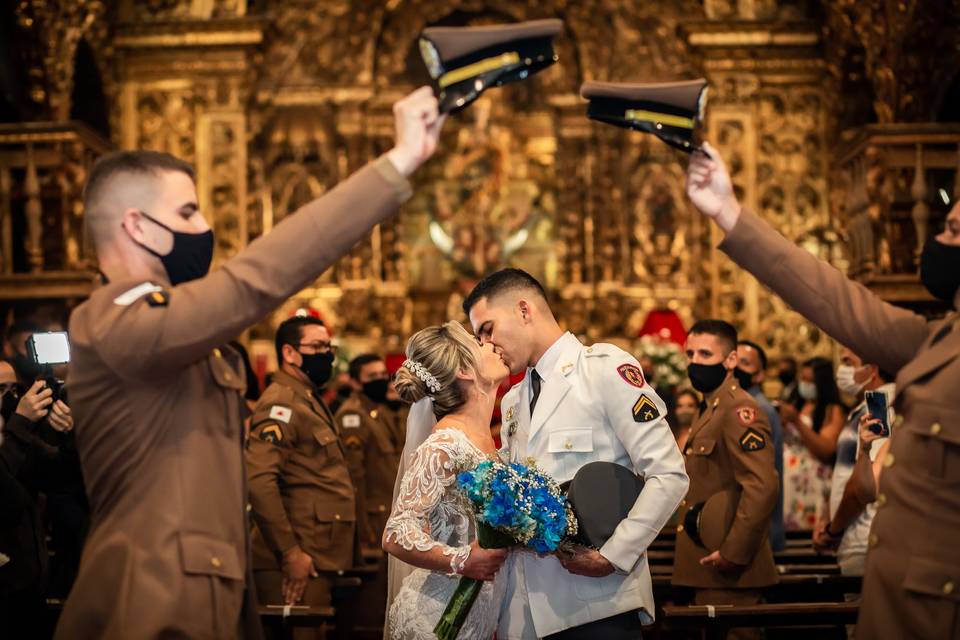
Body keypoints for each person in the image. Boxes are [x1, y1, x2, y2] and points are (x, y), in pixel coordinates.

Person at [55, 87, 445, 640]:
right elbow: (251, 282)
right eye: (187, 212)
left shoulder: (178, 333)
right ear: (138, 226)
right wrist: (395, 164)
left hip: (212, 601)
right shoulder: (109, 320)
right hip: (147, 606)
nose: (201, 228)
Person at [687, 143, 960, 639]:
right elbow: (833, 299)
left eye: (954, 231)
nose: (939, 241)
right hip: (895, 608)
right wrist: (727, 211)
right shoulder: (938, 339)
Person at [465, 268, 688, 639]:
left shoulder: (603, 370)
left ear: (524, 310)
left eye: (487, 329)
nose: (486, 346)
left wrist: (614, 555)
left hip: (596, 602)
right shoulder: (513, 400)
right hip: (525, 610)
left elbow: (669, 475)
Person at [383, 321, 510, 639]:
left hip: (480, 612)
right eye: (478, 343)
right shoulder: (445, 444)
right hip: (437, 615)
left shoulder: (487, 437)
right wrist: (462, 560)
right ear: (465, 371)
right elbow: (396, 533)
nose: (492, 343)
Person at [244, 316, 354, 633]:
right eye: (317, 347)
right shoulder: (281, 403)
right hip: (298, 556)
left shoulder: (306, 398)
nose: (327, 355)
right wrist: (290, 552)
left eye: (328, 347)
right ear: (290, 353)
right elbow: (259, 482)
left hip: (318, 552)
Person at [672, 321, 778, 640]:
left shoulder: (738, 408)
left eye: (706, 354)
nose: (695, 362)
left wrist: (734, 552)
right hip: (709, 562)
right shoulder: (710, 407)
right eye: (690, 354)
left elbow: (762, 485)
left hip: (730, 568)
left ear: (730, 360)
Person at [813, 348, 894, 577]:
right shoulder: (866, 407)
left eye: (849, 362)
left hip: (865, 539)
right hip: (858, 539)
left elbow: (866, 485)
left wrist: (833, 530)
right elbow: (846, 473)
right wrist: (827, 516)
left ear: (872, 370)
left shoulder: (880, 406)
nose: (843, 370)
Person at [335, 354, 405, 553]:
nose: (381, 380)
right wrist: (363, 528)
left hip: (386, 512)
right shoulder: (353, 416)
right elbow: (354, 477)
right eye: (372, 376)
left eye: (383, 374)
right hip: (372, 517)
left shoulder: (378, 411)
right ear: (356, 383)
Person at [776, 356, 845, 530]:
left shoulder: (832, 410)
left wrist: (796, 422)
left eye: (810, 380)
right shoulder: (798, 404)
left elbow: (826, 449)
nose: (804, 384)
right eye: (802, 379)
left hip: (811, 485)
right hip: (788, 482)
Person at [735, 340, 786, 551]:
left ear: (759, 375)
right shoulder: (737, 404)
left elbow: (759, 479)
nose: (736, 368)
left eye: (745, 363)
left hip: (755, 531)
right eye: (734, 360)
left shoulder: (756, 409)